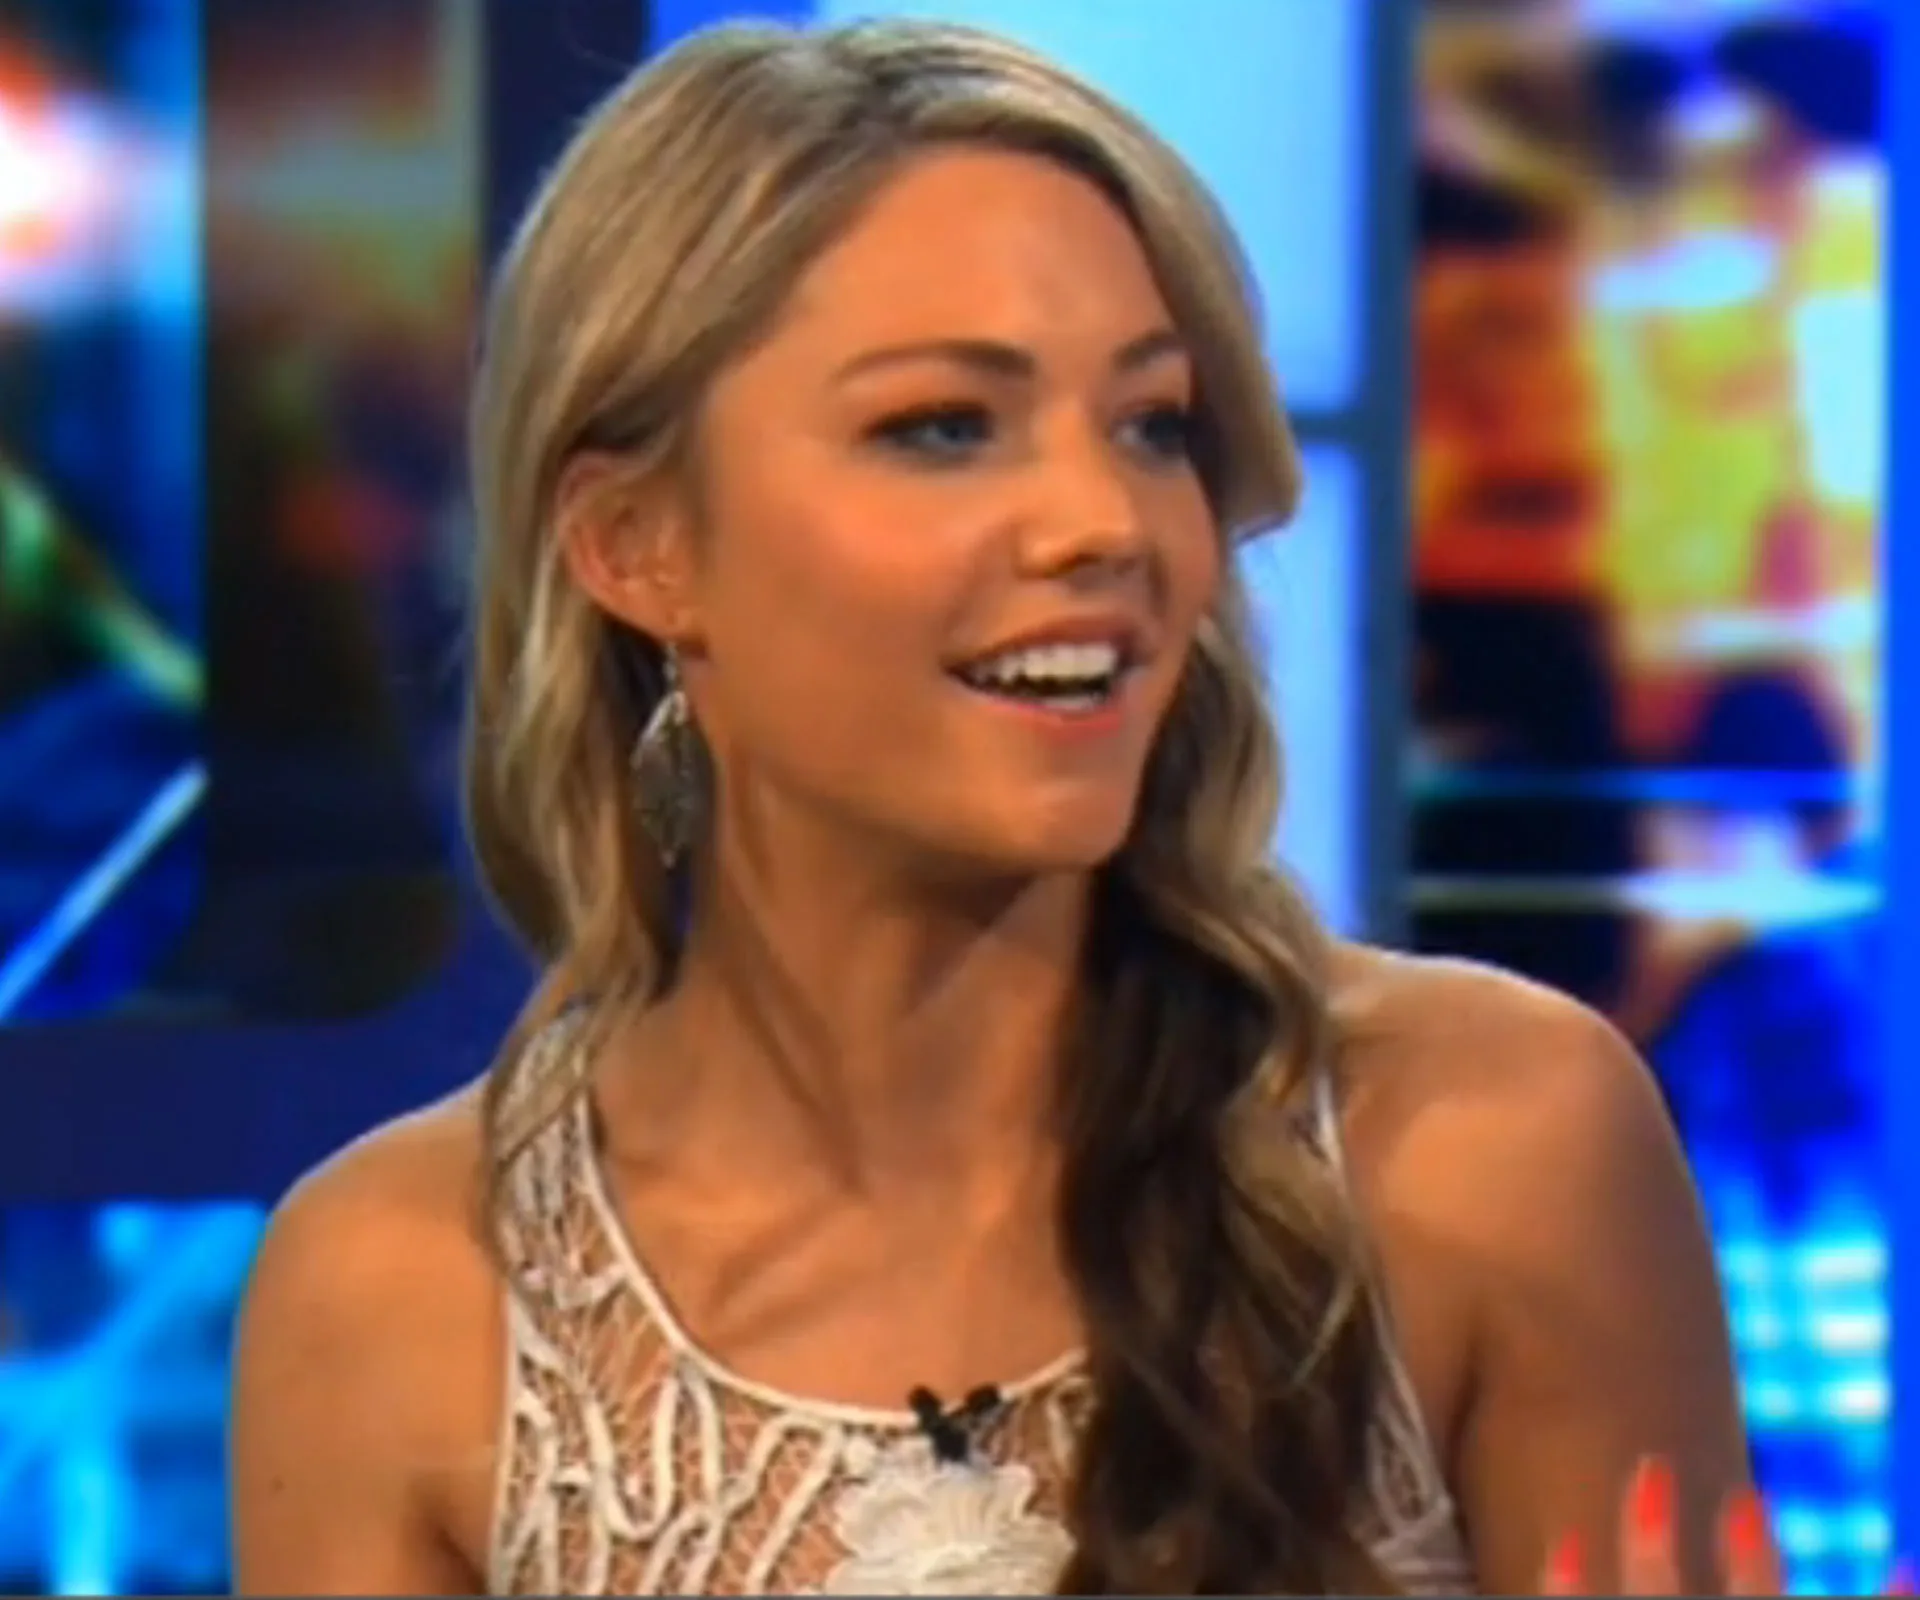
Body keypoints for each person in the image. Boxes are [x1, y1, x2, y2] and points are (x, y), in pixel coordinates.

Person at [228, 18, 1785, 1596]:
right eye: (943, 428)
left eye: (1152, 423)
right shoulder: (401, 1301)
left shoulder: (1489, 1150)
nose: (1105, 522)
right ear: (640, 545)